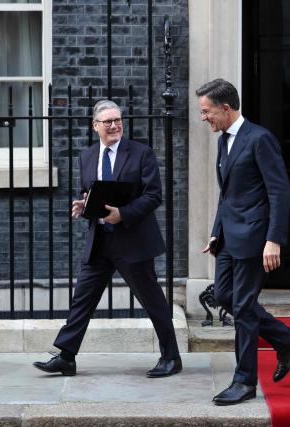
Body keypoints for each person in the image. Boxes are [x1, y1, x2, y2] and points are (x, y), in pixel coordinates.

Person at [33, 100, 182, 378]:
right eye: (108, 122)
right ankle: (66, 356)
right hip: (100, 240)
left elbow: (154, 196)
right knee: (83, 299)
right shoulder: (87, 156)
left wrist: (122, 214)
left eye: (118, 120)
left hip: (132, 241)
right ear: (95, 126)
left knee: (152, 301)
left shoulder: (141, 153)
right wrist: (84, 206)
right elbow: (90, 192)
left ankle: (171, 358)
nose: (114, 125)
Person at [196, 79, 290, 405]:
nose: (204, 118)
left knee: (242, 307)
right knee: (225, 296)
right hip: (228, 237)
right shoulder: (223, 141)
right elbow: (228, 194)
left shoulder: (259, 139)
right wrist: (216, 231)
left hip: (256, 238)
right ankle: (285, 339)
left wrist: (274, 240)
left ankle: (244, 382)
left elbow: (279, 191)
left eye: (207, 111)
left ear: (225, 108)